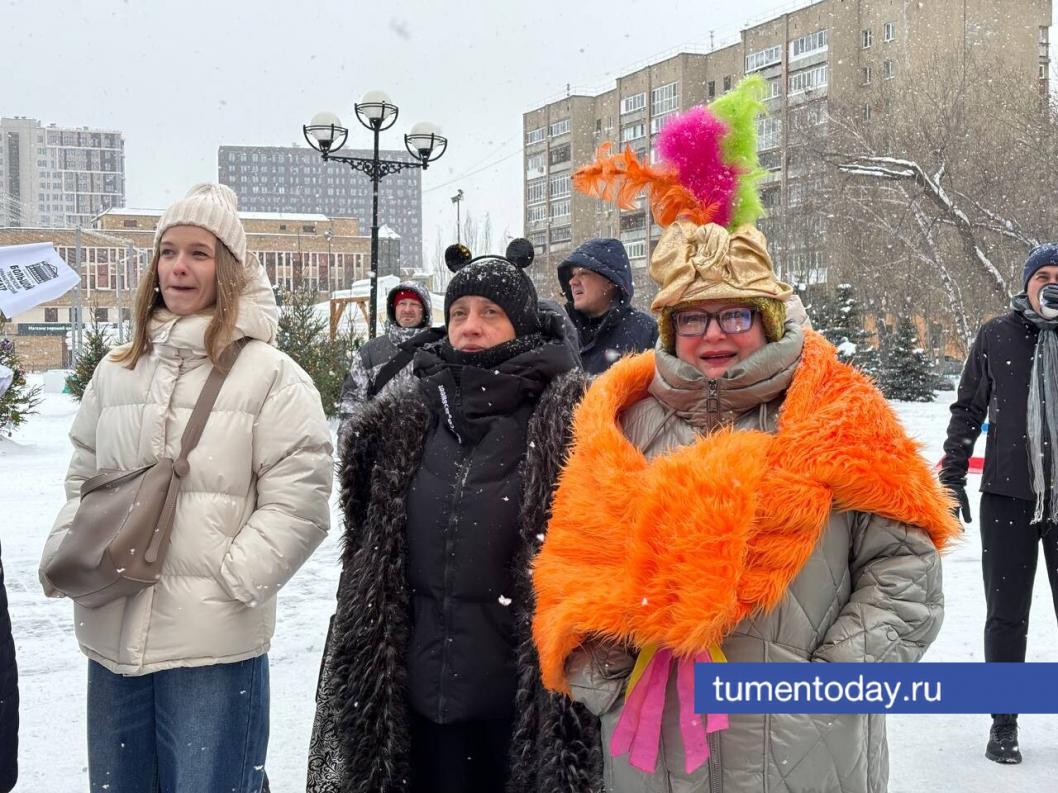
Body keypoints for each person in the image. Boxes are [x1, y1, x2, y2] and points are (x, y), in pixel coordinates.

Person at [532, 216, 960, 793]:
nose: (713, 335)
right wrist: (607, 675)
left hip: (806, 751)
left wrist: (829, 687)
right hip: (657, 750)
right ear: (669, 328)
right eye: (692, 318)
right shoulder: (623, 424)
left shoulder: (837, 415)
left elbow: (904, 571)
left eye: (735, 315)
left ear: (767, 320)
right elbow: (575, 570)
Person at [38, 184, 333, 793]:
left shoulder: (271, 375)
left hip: (212, 646)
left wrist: (232, 582)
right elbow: (84, 474)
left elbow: (299, 497)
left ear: (229, 269)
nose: (179, 266)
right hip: (113, 625)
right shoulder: (118, 368)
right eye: (168, 251)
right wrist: (73, 548)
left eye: (199, 253)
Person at [307, 240, 598, 793]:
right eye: (459, 312)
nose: (471, 326)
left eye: (491, 313)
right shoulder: (403, 423)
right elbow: (370, 571)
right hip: (416, 708)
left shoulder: (569, 426)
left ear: (522, 326)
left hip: (517, 711)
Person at [940, 242, 1058, 765]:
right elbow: (968, 409)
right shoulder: (997, 335)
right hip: (1008, 499)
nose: (1052, 284)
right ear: (1026, 283)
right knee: (1006, 617)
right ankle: (1003, 724)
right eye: (1043, 275)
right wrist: (951, 477)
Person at [337, 280, 433, 444]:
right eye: (402, 303)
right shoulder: (370, 352)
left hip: (430, 450)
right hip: (381, 449)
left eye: (414, 304)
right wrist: (350, 444)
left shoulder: (439, 349)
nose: (407, 309)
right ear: (394, 308)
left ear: (424, 310)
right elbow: (352, 402)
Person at [557, 238, 658, 374]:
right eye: (573, 275)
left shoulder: (645, 332)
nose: (572, 281)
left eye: (583, 273)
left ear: (610, 280)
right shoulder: (558, 330)